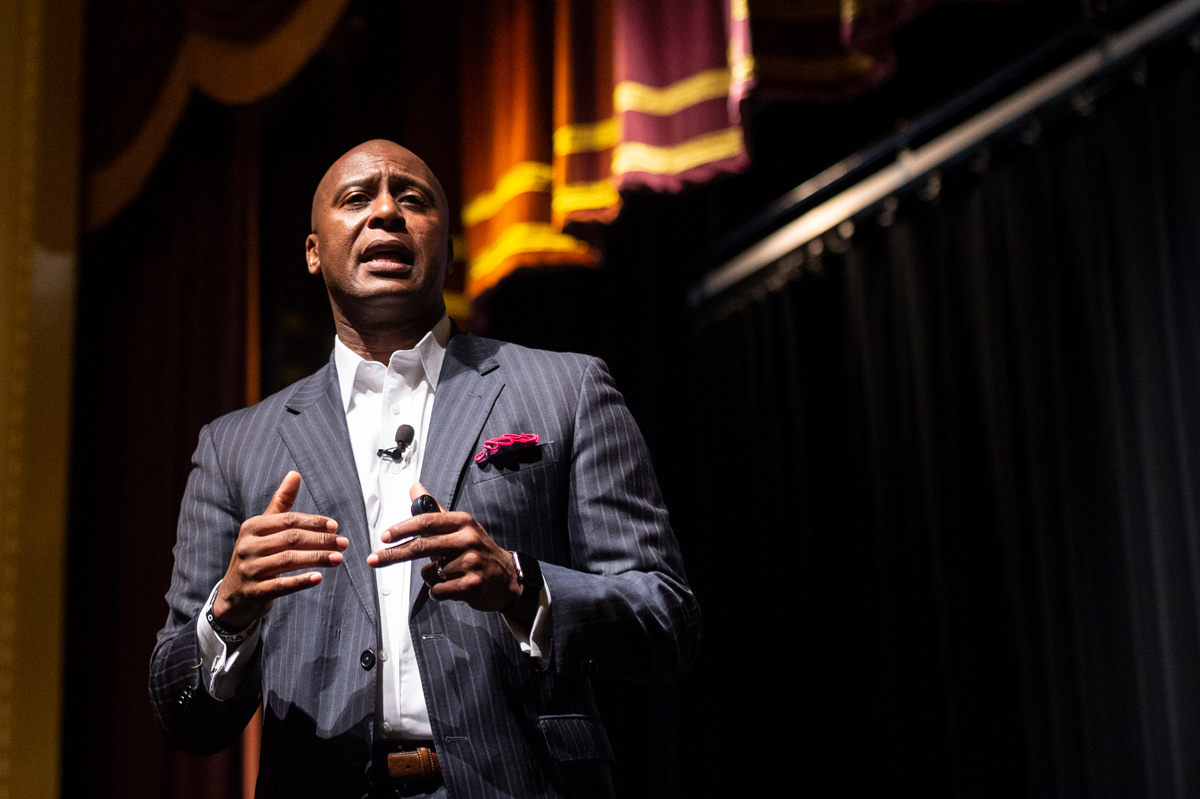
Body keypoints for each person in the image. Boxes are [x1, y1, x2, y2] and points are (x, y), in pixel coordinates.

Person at [149, 139, 700, 798]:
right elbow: (180, 708)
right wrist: (228, 612)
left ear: (448, 240)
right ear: (313, 250)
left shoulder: (567, 388)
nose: (386, 211)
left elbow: (666, 619)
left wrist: (522, 586)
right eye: (357, 198)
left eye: (412, 198)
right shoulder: (233, 445)